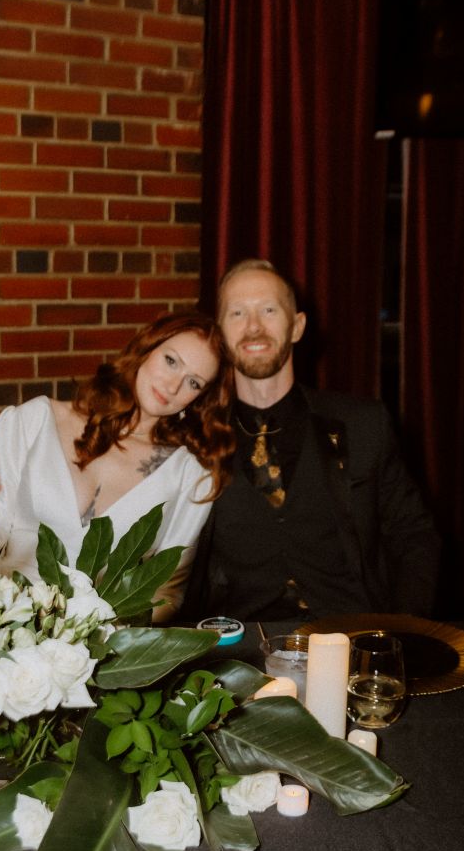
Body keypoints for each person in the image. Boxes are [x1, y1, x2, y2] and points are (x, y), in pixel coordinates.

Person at [178, 259, 440, 622]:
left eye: (268, 310)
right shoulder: (193, 440)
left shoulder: (364, 423)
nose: (253, 327)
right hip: (238, 652)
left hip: (351, 639)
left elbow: (414, 535)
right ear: (220, 335)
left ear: (297, 327)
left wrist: (401, 630)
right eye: (237, 313)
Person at [0, 311, 234, 621]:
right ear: (146, 348)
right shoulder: (32, 422)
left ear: (200, 398)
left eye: (193, 382)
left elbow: (165, 590)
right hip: (2, 624)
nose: (174, 386)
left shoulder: (190, 475)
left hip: (103, 649)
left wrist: (99, 640)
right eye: (171, 361)